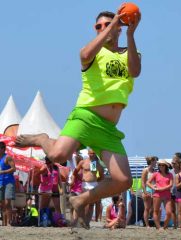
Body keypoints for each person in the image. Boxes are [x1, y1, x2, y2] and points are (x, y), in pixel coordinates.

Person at [14, 6, 141, 228]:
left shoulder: (128, 52)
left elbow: (135, 71)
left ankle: (81, 199)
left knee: (123, 180)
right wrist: (112, 26)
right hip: (85, 116)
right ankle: (42, 137)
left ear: (120, 28)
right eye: (99, 26)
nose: (103, 28)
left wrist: (129, 34)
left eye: (109, 24)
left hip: (108, 128)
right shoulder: (92, 51)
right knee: (56, 155)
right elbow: (84, 55)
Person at [73, 149, 104, 226]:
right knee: (83, 203)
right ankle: (80, 220)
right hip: (85, 184)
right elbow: (75, 171)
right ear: (88, 153)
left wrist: (96, 181)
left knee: (91, 204)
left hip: (93, 184)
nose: (92, 155)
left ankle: (87, 222)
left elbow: (102, 175)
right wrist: (79, 179)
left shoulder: (97, 164)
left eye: (93, 153)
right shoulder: (83, 162)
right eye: (91, 153)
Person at [147, 159, 173, 230]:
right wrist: (153, 187)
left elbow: (171, 185)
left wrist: (162, 188)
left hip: (167, 195)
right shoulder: (156, 174)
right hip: (157, 194)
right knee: (156, 211)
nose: (161, 166)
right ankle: (158, 227)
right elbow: (148, 182)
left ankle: (164, 226)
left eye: (162, 165)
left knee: (169, 212)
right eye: (159, 165)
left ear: (165, 166)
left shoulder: (170, 174)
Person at [0, 141, 16, 226]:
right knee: (2, 204)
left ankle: (9, 222)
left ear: (3, 149)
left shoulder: (8, 157)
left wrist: (3, 172)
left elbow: (14, 169)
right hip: (1, 182)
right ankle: (4, 223)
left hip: (9, 182)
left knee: (7, 203)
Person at [141, 156, 158, 228]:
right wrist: (144, 191)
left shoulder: (155, 171)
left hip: (154, 191)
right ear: (151, 162)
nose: (156, 163)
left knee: (153, 209)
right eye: (155, 161)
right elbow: (143, 181)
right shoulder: (145, 170)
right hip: (147, 190)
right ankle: (147, 225)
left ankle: (152, 222)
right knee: (147, 208)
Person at [170, 154, 181, 229]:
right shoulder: (171, 172)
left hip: (180, 193)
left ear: (178, 164)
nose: (173, 164)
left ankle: (180, 224)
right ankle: (175, 225)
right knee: (173, 210)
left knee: (180, 210)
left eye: (174, 163)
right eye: (172, 163)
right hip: (172, 192)